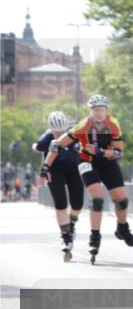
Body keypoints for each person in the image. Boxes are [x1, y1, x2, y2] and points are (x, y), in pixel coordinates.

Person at [46, 95, 133, 264]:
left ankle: (122, 228)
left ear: (106, 110)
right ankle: (94, 237)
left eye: (102, 110)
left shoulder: (113, 124)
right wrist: (46, 165)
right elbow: (57, 144)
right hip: (87, 162)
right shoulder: (83, 125)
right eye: (96, 110)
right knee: (97, 200)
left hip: (107, 161)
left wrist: (101, 151)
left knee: (122, 201)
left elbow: (118, 153)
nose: (99, 113)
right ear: (90, 111)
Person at [34, 111, 83, 260]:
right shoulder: (47, 137)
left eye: (62, 131)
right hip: (54, 170)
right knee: (60, 203)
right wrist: (37, 148)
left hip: (73, 168)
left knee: (77, 203)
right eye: (56, 132)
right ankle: (66, 237)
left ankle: (71, 224)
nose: (60, 135)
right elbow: (37, 146)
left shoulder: (74, 133)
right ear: (51, 129)